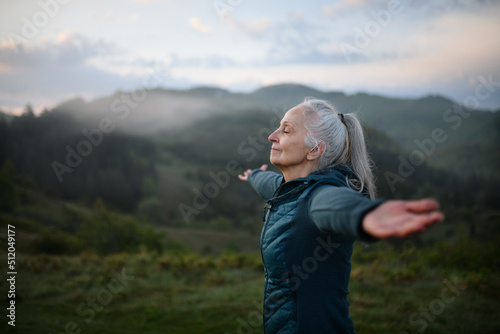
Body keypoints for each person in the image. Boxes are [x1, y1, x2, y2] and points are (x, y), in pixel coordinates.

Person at [238, 98, 444, 334]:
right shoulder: (292, 188)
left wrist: (365, 214)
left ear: (314, 150)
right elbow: (271, 184)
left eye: (286, 130)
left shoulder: (318, 196)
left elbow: (336, 205)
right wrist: (253, 176)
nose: (272, 136)